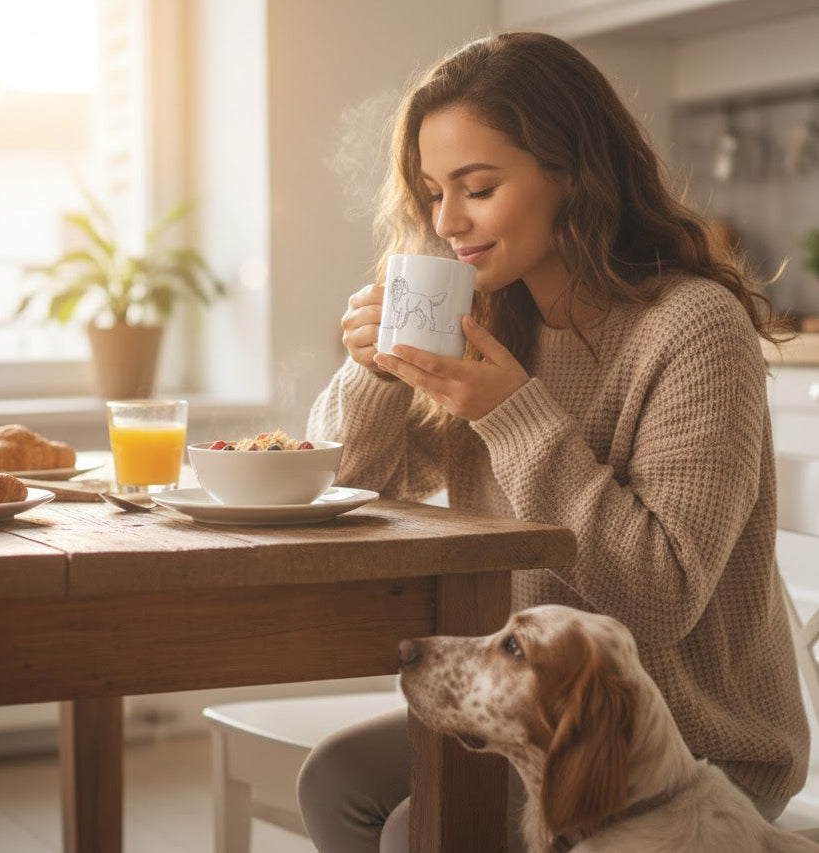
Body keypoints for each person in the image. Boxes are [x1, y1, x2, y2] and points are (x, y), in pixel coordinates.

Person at [296, 30, 809, 853]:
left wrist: (514, 413)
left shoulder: (692, 328)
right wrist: (376, 373)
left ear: (573, 173)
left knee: (411, 831)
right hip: (534, 711)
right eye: (432, 192)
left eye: (478, 187)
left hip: (682, 752)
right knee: (335, 781)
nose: (446, 221)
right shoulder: (492, 317)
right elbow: (342, 484)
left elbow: (661, 594)